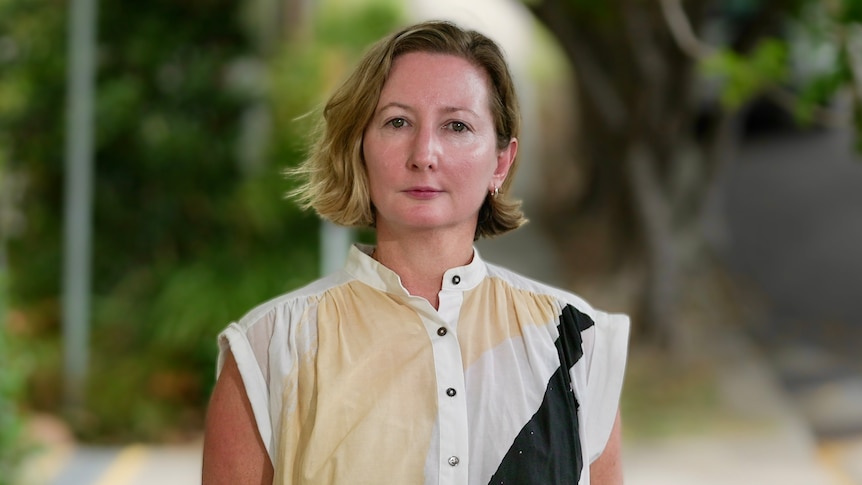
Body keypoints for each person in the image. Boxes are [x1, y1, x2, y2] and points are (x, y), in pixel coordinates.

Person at [202, 20, 629, 485]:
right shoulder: (270, 349)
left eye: (457, 126)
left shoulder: (574, 341)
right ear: (359, 148)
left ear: (501, 162)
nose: (424, 153)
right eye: (398, 122)